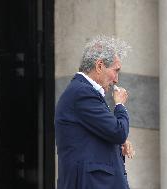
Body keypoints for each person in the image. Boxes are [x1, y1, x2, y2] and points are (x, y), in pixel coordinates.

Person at [55, 36, 135, 189]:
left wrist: (119, 142)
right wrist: (119, 105)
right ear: (99, 66)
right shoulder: (82, 93)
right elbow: (118, 131)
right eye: (115, 70)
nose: (116, 79)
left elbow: (96, 135)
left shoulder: (82, 91)